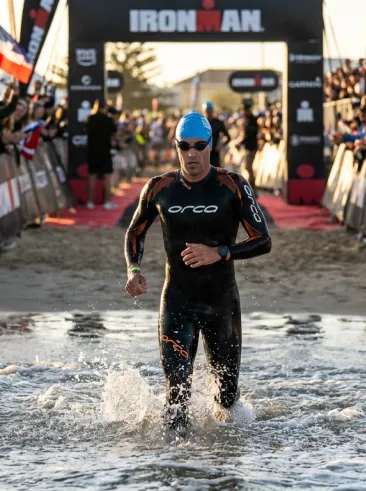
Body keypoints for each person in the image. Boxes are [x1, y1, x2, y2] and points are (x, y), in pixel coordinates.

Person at [123, 112, 272, 434]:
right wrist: (133, 269)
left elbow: (263, 240)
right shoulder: (159, 187)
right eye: (184, 146)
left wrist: (220, 252)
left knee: (227, 398)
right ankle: (176, 469)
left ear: (211, 146)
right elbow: (134, 233)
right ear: (176, 147)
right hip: (177, 301)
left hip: (222, 305)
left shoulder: (231, 184)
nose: (191, 153)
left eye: (199, 146)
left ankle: (223, 464)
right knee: (176, 396)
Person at [84, 99, 117, 210]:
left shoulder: (90, 118)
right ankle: (107, 202)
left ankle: (90, 202)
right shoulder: (108, 119)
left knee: (91, 178)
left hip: (92, 152)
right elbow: (114, 133)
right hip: (105, 152)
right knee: (107, 179)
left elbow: (86, 130)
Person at [203, 102, 230, 169]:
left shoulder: (218, 122)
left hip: (215, 153)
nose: (208, 112)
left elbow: (228, 137)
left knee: (215, 173)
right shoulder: (201, 123)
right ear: (203, 111)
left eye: (210, 110)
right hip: (203, 152)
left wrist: (221, 145)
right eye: (207, 110)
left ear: (212, 111)